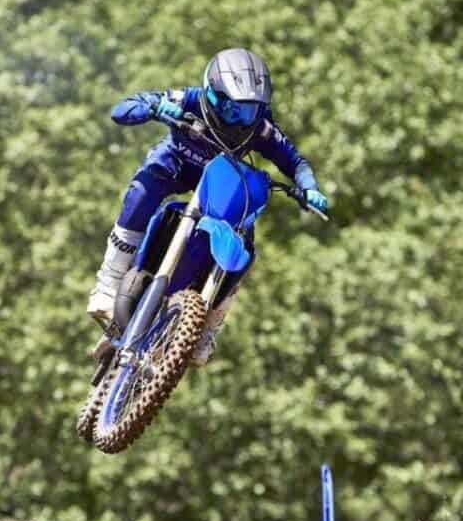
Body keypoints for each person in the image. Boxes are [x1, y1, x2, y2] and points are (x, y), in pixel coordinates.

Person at [88, 48, 329, 366]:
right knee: (142, 191)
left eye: (249, 110)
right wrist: (153, 107)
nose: (239, 118)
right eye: (231, 108)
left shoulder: (261, 128)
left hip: (219, 181)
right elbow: (122, 109)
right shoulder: (188, 99)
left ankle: (210, 325)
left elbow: (295, 161)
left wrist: (309, 188)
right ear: (212, 93)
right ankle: (107, 284)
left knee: (245, 236)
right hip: (176, 163)